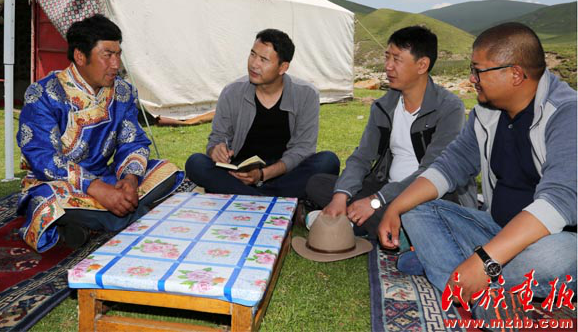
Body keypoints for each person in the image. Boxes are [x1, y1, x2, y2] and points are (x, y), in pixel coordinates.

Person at [378, 23, 576, 317]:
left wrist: (484, 261)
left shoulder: (567, 114)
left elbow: (559, 202)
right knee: (416, 208)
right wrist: (395, 207)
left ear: (515, 74)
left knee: (556, 256)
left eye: (478, 70)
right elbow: (450, 165)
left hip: (558, 238)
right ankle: (485, 295)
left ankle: (460, 275)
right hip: (495, 229)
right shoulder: (486, 111)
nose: (472, 78)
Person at [16, 14, 183, 253]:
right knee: (48, 202)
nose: (116, 64)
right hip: (58, 184)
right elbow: (42, 157)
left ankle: (95, 220)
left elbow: (132, 140)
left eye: (118, 54)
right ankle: (123, 215)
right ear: (80, 56)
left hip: (107, 179)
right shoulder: (44, 94)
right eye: (107, 55)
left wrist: (129, 180)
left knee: (166, 171)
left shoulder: (122, 92)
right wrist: (96, 188)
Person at [306, 26, 477, 238]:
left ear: (422, 65)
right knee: (317, 183)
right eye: (387, 57)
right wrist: (341, 196)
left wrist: (375, 201)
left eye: (396, 59)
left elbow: (433, 172)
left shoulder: (449, 108)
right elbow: (362, 157)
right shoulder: (385, 106)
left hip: (429, 195)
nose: (388, 66)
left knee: (416, 214)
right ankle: (368, 224)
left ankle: (357, 224)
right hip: (385, 186)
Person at [185, 28, 340, 198]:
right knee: (195, 163)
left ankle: (251, 197)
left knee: (328, 161)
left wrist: (263, 175)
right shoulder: (232, 92)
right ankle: (270, 199)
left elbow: (303, 149)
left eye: (263, 60)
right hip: (239, 174)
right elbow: (217, 138)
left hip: (284, 173)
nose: (254, 64)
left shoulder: (306, 95)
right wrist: (215, 150)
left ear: (283, 67)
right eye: (252, 55)